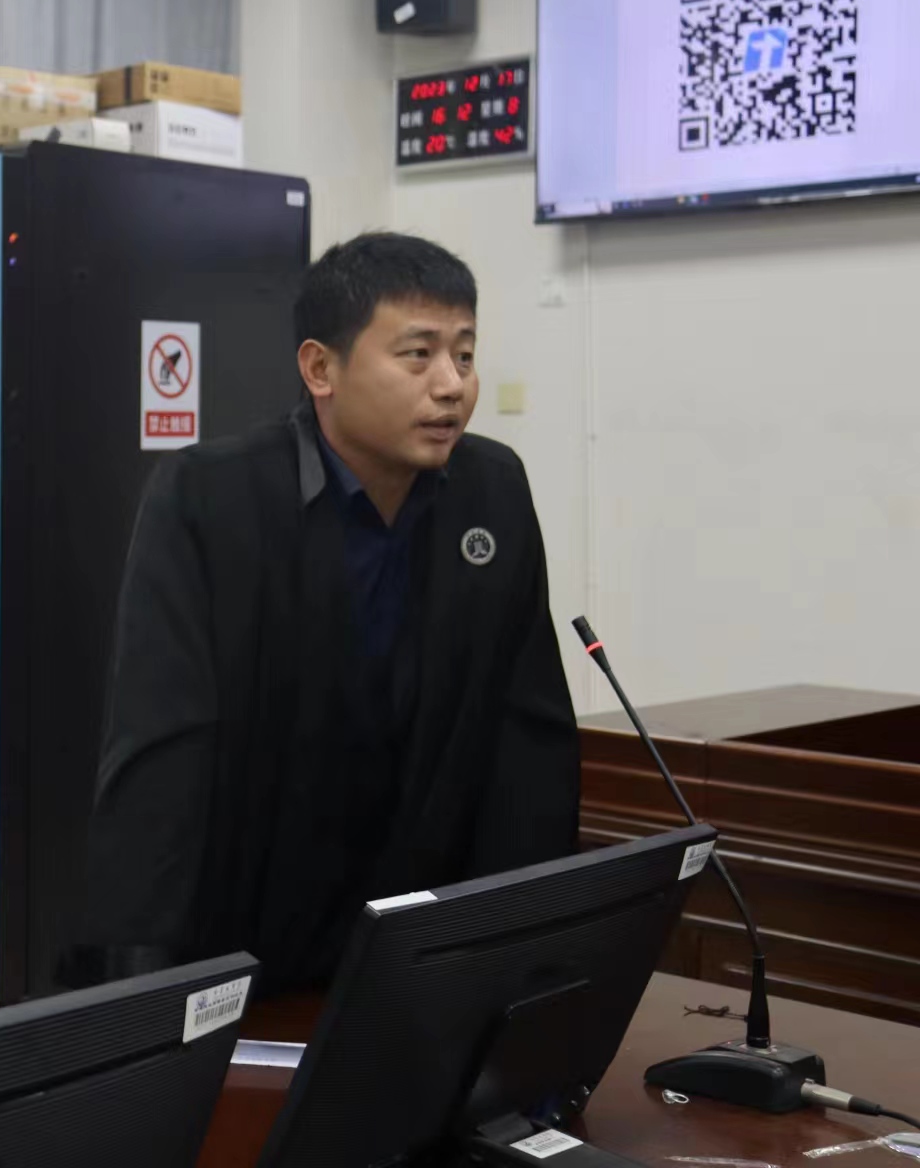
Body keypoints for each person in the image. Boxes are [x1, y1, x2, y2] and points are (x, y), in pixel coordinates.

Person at [78, 232, 579, 994]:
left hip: (425, 952)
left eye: (465, 355)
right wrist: (144, 988)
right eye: (418, 355)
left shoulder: (494, 491)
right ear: (320, 369)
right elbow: (162, 760)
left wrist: (524, 959)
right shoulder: (209, 499)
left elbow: (529, 747)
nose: (451, 385)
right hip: (250, 944)